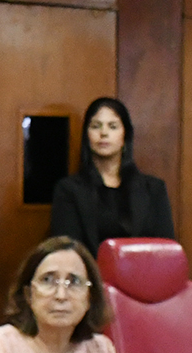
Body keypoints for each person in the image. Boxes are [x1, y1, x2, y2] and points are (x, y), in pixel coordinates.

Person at [48, 96, 175, 253]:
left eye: (113, 126)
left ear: (125, 136)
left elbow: (166, 252)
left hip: (143, 275)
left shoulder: (154, 189)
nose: (103, 133)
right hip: (91, 276)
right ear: (86, 135)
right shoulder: (68, 190)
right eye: (96, 126)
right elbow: (67, 251)